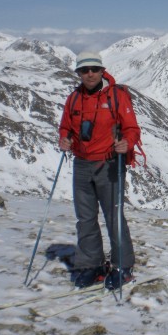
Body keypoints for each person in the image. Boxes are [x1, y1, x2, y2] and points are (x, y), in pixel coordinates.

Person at [58, 51, 141, 289]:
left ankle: (122, 267)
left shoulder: (117, 96)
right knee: (85, 219)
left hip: (109, 164)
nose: (90, 74)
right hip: (82, 164)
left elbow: (132, 128)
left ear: (103, 71)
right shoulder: (74, 99)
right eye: (84, 70)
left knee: (113, 217)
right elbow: (66, 127)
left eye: (94, 69)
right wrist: (64, 139)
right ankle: (91, 265)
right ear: (78, 73)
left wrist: (128, 143)